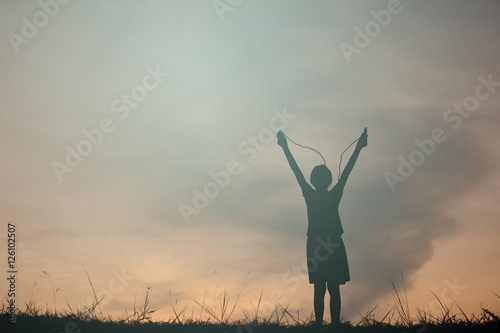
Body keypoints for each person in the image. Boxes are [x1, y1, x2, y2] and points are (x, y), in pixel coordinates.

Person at [277, 128, 367, 326]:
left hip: (327, 243)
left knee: (330, 288)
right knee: (324, 287)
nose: (319, 180)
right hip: (326, 243)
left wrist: (359, 147)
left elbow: (347, 170)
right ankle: (323, 325)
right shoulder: (325, 195)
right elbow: (296, 170)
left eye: (320, 177)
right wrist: (284, 148)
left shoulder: (318, 194)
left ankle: (329, 325)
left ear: (320, 180)